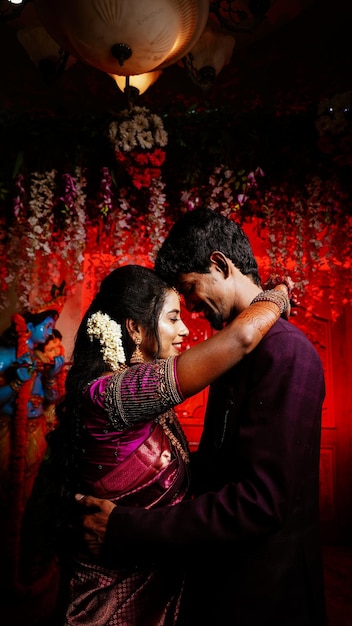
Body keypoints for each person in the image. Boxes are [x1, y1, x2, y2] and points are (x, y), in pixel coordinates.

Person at [76, 210, 326, 626]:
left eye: (189, 290)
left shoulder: (286, 352)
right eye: (174, 312)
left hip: (265, 590)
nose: (189, 310)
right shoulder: (229, 350)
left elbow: (261, 503)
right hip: (213, 577)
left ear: (220, 265)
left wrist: (128, 528)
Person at [46, 263, 290, 626]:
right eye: (173, 318)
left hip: (157, 588)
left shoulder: (130, 392)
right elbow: (241, 339)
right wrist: (279, 294)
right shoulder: (115, 393)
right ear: (135, 328)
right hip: (110, 605)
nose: (184, 329)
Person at [0, 306, 65, 626]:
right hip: (10, 432)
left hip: (37, 430)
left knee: (30, 495)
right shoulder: (8, 356)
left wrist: (51, 375)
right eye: (47, 326)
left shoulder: (40, 361)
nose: (49, 333)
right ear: (30, 327)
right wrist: (15, 384)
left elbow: (52, 398)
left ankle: (24, 553)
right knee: (7, 493)